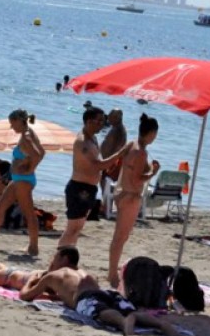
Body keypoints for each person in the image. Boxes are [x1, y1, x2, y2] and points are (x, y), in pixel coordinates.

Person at [17, 250, 181, 336]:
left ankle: (123, 322)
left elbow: (25, 296)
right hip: (106, 293)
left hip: (87, 298)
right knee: (123, 308)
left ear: (64, 259)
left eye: (54, 259)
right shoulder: (84, 272)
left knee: (101, 312)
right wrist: (52, 297)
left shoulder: (52, 275)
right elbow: (69, 294)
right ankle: (159, 324)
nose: (51, 263)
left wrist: (31, 280)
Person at [0, 109, 45, 255]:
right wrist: (26, 164)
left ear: (19, 121)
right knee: (0, 206)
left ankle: (33, 247)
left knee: (29, 213)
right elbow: (42, 152)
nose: (11, 127)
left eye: (12, 123)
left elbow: (38, 155)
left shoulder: (26, 136)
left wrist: (29, 168)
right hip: (18, 179)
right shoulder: (28, 133)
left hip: (23, 181)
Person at [57, 106, 129, 248]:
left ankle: (68, 253)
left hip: (89, 188)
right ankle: (60, 255)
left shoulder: (93, 138)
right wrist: (119, 154)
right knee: (72, 228)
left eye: (103, 121)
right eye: (99, 121)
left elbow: (99, 161)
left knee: (78, 228)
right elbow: (97, 165)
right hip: (79, 188)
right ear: (89, 121)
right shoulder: (83, 142)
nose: (102, 124)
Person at [108, 114, 160, 288]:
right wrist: (153, 172)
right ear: (151, 133)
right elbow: (138, 179)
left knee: (120, 236)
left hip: (122, 192)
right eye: (154, 134)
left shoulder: (132, 144)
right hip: (131, 195)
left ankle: (112, 270)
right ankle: (112, 273)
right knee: (120, 237)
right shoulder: (141, 152)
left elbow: (118, 158)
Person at [99, 108, 128, 209]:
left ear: (117, 118)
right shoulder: (116, 128)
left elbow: (118, 148)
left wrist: (110, 161)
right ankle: (106, 205)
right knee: (104, 183)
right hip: (108, 160)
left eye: (111, 116)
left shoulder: (119, 130)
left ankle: (107, 206)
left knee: (105, 183)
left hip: (110, 162)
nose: (108, 118)